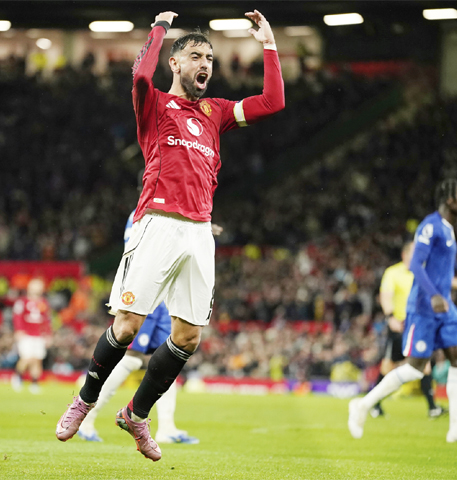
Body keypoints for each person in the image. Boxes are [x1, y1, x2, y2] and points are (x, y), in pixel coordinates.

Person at [55, 9, 285, 461]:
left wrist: (270, 45)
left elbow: (272, 102)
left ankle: (136, 415)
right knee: (127, 325)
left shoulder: (216, 113)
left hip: (200, 232)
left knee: (188, 338)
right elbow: (141, 76)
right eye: (196, 56)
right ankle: (83, 401)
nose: (205, 64)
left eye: (210, 59)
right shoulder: (155, 104)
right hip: (157, 223)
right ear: (176, 64)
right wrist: (159, 30)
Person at [348, 179, 457, 443]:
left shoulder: (449, 229)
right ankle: (362, 405)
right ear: (449, 200)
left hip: (445, 308)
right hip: (424, 308)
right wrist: (434, 295)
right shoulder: (430, 225)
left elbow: (443, 275)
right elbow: (415, 264)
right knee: (415, 369)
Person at [77, 209, 220, 444]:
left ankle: (167, 427)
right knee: (131, 358)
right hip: (150, 292)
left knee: (167, 359)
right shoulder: (146, 213)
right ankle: (86, 419)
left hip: (165, 298)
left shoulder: (160, 211)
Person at [370, 241, 445, 419]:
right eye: (415, 252)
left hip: (418, 326)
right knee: (388, 367)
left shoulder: (423, 272)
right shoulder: (393, 272)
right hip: (399, 326)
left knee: (425, 365)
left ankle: (432, 407)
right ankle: (373, 404)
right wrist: (390, 317)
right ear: (405, 255)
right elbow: (386, 296)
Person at [11, 278, 51, 394]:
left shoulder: (43, 303)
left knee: (37, 360)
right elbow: (17, 317)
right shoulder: (22, 302)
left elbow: (46, 320)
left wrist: (48, 334)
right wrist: (19, 330)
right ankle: (17, 376)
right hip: (26, 334)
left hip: (39, 335)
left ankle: (34, 382)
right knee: (26, 358)